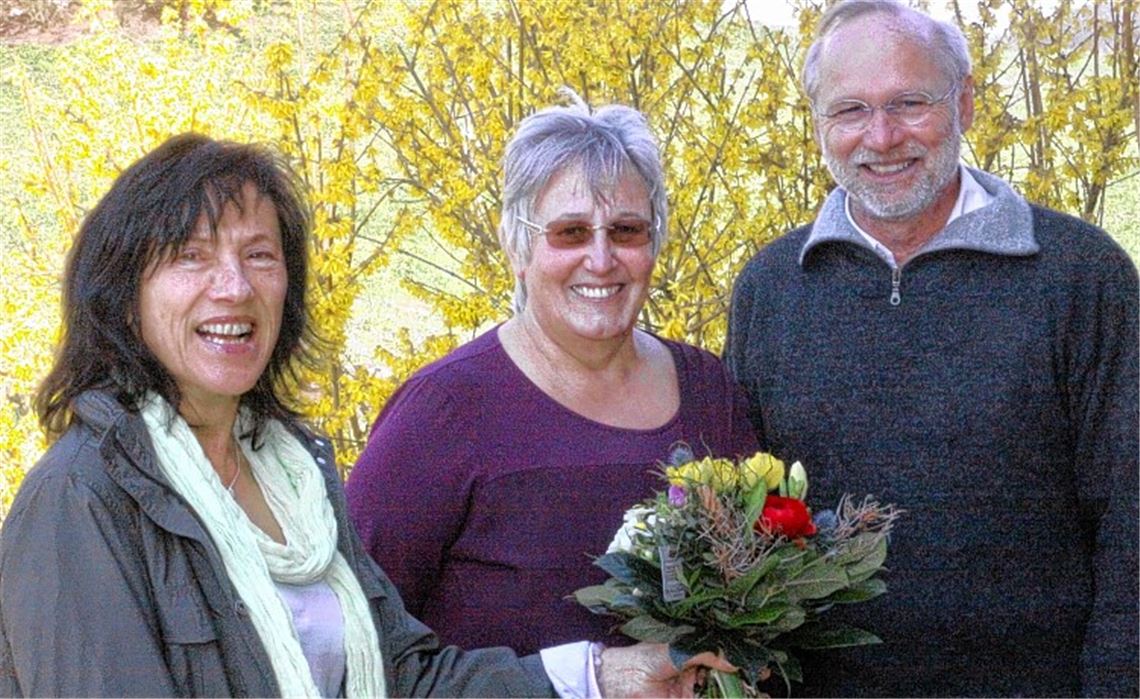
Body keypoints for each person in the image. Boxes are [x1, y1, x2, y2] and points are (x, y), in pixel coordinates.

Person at [0, 133, 733, 697]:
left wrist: (602, 675)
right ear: (124, 293)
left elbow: (403, 676)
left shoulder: (293, 474)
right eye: (192, 257)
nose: (233, 286)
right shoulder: (83, 497)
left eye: (260, 254)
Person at [724, 1, 1139, 696]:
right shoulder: (772, 287)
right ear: (820, 123)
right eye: (849, 110)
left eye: (910, 103)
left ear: (966, 104)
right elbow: (744, 522)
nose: (881, 137)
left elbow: (1132, 518)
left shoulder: (1080, 275)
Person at [345, 92, 759, 656]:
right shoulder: (444, 410)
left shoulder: (710, 393)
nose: (601, 258)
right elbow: (360, 632)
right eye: (569, 232)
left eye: (627, 230)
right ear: (518, 246)